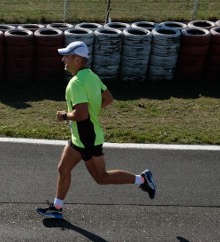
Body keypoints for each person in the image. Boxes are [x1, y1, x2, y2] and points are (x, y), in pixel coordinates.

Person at [37, 40, 156, 220]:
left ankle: (142, 180)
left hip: (88, 139)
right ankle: (57, 208)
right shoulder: (91, 76)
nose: (63, 60)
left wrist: (64, 116)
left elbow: (81, 114)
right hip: (80, 137)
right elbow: (108, 98)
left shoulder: (75, 83)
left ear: (77, 59)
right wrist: (92, 110)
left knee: (102, 178)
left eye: (67, 56)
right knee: (63, 169)